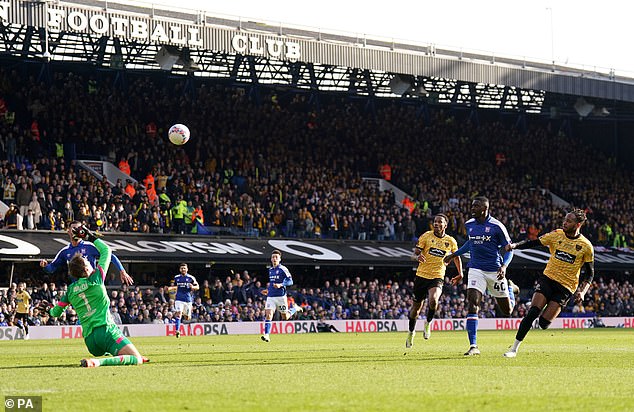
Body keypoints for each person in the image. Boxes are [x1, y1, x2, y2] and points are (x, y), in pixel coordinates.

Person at [39, 225, 148, 367]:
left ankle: (113, 355)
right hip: (106, 331)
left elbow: (55, 312)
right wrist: (90, 236)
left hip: (91, 342)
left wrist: (48, 309)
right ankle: (97, 362)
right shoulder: (96, 279)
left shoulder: (70, 291)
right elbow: (107, 251)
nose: (91, 264)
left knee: (120, 350)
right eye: (87, 262)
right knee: (136, 359)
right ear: (85, 268)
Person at [503, 209, 594, 358]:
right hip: (548, 279)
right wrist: (515, 246)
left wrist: (582, 292)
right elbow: (534, 242)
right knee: (532, 312)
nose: (565, 222)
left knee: (543, 324)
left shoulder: (586, 246)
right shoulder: (556, 234)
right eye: (565, 219)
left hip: (566, 288)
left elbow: (590, 273)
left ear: (578, 224)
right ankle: (513, 349)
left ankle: (545, 316)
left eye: (569, 221)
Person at [443, 196, 515, 356]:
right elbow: (470, 242)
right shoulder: (469, 225)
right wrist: (454, 254)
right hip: (476, 269)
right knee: (472, 303)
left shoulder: (497, 226)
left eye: (475, 206)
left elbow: (509, 250)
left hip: (495, 270)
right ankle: (473, 345)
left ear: (484, 209)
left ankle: (510, 289)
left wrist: (504, 266)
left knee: (507, 311)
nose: (472, 208)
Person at [406, 214, 463, 348]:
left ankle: (428, 323)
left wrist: (460, 273)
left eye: (439, 222)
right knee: (415, 309)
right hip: (421, 276)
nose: (436, 224)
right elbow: (414, 254)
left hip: (437, 276)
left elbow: (456, 257)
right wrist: (417, 257)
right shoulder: (426, 236)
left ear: (445, 225)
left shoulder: (451, 241)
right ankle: (411, 332)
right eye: (435, 222)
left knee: (434, 300)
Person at [40, 220, 133, 285]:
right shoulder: (64, 252)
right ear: (68, 231)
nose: (75, 231)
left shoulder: (89, 247)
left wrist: (122, 270)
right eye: (73, 229)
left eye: (78, 229)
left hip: (92, 284)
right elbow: (52, 268)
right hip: (78, 288)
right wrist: (45, 266)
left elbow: (110, 256)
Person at [261, 250, 303, 342]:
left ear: (280, 259)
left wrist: (281, 285)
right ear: (271, 259)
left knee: (285, 317)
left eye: (276, 257)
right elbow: (273, 283)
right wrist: (268, 290)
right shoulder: (271, 270)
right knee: (268, 315)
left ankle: (295, 308)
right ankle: (267, 335)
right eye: (273, 257)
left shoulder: (283, 269)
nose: (274, 259)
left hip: (281, 297)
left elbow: (290, 281)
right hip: (271, 297)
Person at [170, 263, 199, 338]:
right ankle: (177, 331)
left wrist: (193, 287)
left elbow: (197, 286)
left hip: (188, 300)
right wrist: (170, 288)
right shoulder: (176, 278)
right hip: (179, 299)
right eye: (182, 268)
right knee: (179, 313)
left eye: (184, 268)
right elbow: (175, 286)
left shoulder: (191, 278)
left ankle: (183, 316)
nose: (183, 269)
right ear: (180, 269)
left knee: (187, 318)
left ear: (187, 269)